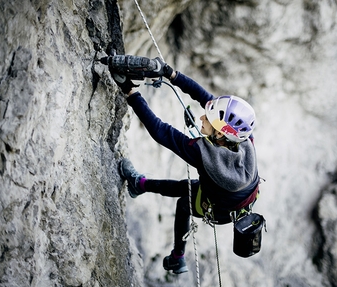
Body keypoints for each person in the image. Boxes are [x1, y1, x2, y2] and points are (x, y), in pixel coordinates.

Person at [109, 57, 260, 274]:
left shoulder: (202, 153)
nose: (201, 117)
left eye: (206, 119)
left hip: (219, 209)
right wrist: (171, 74)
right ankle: (139, 185)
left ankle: (177, 256)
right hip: (239, 197)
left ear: (219, 133)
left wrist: (130, 92)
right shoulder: (243, 138)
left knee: (185, 201)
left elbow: (160, 131)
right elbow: (205, 98)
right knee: (188, 187)